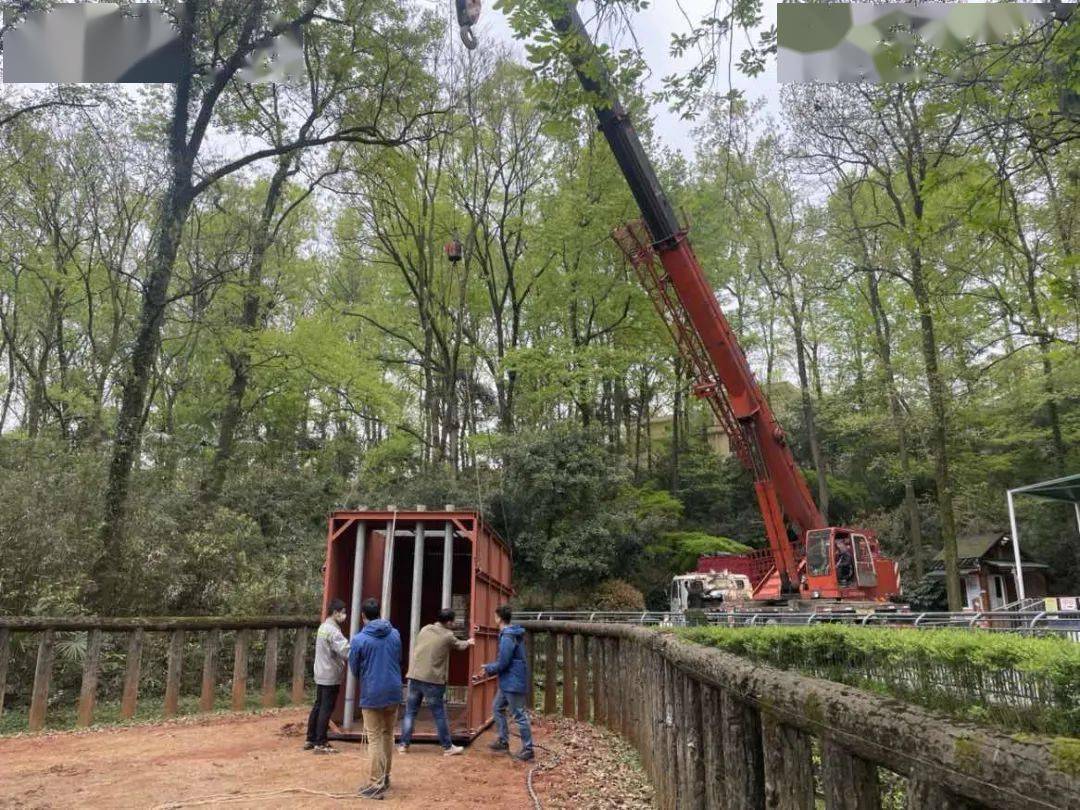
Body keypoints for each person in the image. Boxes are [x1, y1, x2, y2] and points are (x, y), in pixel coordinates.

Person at [399, 608, 475, 756]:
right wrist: (469, 642)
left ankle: (403, 745)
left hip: (414, 676)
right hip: (432, 680)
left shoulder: (425, 628)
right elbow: (460, 645)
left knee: (410, 712)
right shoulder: (448, 635)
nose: (454, 624)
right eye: (453, 621)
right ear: (448, 622)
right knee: (439, 714)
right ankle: (447, 747)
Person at [348, 598, 403, 801]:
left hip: (372, 692)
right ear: (380, 612)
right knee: (388, 734)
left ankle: (375, 783)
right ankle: (385, 777)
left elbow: (354, 668)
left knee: (375, 738)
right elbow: (398, 658)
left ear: (363, 616)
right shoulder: (395, 634)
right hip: (394, 691)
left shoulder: (359, 640)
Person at [478, 604, 533, 762]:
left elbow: (504, 662)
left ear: (499, 618)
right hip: (509, 680)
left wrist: (488, 668)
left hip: (512, 681)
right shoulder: (511, 633)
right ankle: (503, 740)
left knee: (519, 715)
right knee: (497, 707)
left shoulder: (507, 636)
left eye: (495, 616)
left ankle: (528, 749)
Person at [306, 598, 350, 754]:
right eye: (343, 613)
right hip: (330, 673)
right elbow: (346, 651)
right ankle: (321, 741)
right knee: (326, 707)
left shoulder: (323, 627)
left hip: (321, 672)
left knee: (318, 705)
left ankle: (310, 738)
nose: (344, 616)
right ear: (335, 612)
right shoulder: (333, 631)